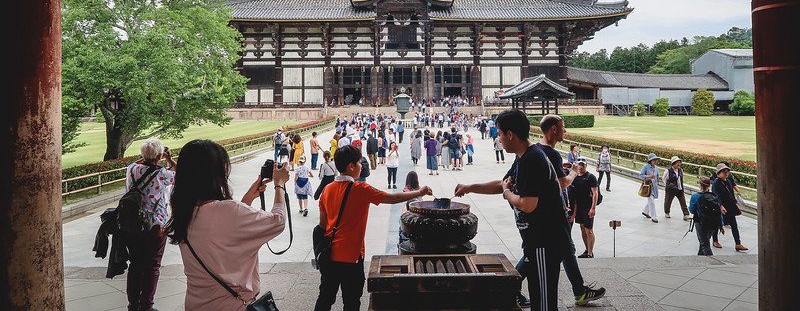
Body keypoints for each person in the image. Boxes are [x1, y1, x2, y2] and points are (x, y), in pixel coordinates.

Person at [454, 110, 593, 310]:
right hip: (536, 241)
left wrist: (507, 193)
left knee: (544, 304)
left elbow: (528, 204)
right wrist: (470, 187)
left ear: (510, 134)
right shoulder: (524, 156)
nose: (499, 138)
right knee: (539, 300)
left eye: (500, 134)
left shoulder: (532, 159)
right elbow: (504, 183)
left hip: (545, 240)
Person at [165, 139, 289, 311]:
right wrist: (279, 185)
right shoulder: (229, 211)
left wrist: (247, 199)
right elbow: (278, 221)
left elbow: (221, 230)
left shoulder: (182, 211)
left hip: (196, 304)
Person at [314, 145, 432, 311]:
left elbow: (322, 224)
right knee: (351, 302)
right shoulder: (360, 189)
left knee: (325, 298)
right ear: (351, 166)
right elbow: (392, 198)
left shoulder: (327, 189)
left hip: (330, 255)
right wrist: (419, 192)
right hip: (351, 256)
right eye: (359, 162)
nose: (362, 165)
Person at [532, 114, 605, 307]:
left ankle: (580, 291)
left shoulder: (537, 149)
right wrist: (572, 171)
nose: (565, 131)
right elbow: (562, 183)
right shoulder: (552, 153)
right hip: (554, 214)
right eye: (562, 127)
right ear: (553, 129)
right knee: (540, 253)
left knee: (565, 250)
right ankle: (512, 285)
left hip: (548, 212)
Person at [122, 138, 176, 311]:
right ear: (159, 156)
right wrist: (168, 159)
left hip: (132, 224)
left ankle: (133, 305)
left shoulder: (132, 169)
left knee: (136, 265)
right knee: (152, 265)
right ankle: (147, 305)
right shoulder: (162, 174)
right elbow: (180, 174)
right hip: (155, 226)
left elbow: (137, 162)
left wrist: (148, 155)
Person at [712, 163, 749, 252]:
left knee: (734, 225)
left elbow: (731, 194)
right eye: (724, 171)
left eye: (727, 171)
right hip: (721, 208)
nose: (726, 173)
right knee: (717, 224)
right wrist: (720, 206)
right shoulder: (716, 183)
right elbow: (716, 196)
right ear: (719, 173)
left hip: (730, 207)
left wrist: (735, 203)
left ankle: (738, 243)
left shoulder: (728, 181)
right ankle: (715, 240)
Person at [570, 160, 599, 258]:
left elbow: (595, 193)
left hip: (588, 207)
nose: (580, 167)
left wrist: (593, 208)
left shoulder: (590, 177)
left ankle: (590, 253)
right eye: (579, 165)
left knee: (589, 230)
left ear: (586, 166)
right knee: (582, 229)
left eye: (582, 165)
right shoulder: (574, 177)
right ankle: (587, 250)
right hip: (578, 207)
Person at [688, 176, 719, 256]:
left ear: (700, 185)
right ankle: (700, 260)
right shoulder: (714, 196)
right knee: (704, 242)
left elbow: (691, 210)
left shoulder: (695, 196)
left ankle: (713, 264)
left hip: (700, 222)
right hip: (713, 223)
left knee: (705, 244)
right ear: (709, 185)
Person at [662, 156, 690, 220]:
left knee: (683, 202)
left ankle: (686, 214)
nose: (678, 164)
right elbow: (663, 179)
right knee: (668, 201)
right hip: (671, 189)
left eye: (679, 162)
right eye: (677, 162)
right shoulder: (668, 171)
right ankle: (667, 212)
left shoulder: (680, 170)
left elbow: (681, 179)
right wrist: (668, 185)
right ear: (673, 163)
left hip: (680, 189)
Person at [639, 153, 660, 223]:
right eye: (653, 160)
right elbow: (641, 175)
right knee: (652, 202)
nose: (655, 161)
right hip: (648, 186)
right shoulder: (645, 167)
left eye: (655, 160)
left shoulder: (656, 168)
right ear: (650, 160)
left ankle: (645, 211)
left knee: (652, 200)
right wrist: (649, 176)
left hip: (654, 187)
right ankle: (654, 217)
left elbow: (657, 177)